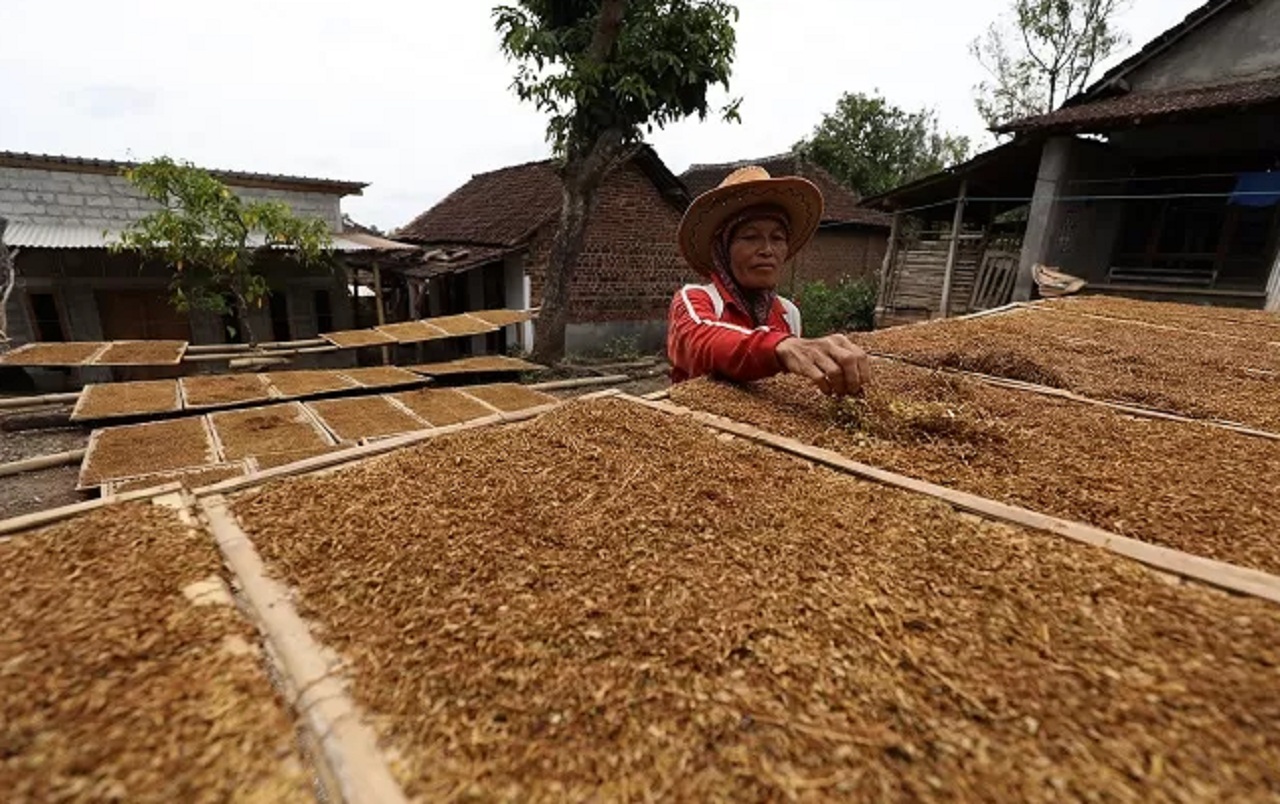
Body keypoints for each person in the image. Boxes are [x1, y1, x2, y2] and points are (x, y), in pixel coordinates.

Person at [667, 166, 872, 396]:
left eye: (777, 238)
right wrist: (782, 347)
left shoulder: (789, 313)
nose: (767, 250)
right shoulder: (695, 299)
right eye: (750, 237)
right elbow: (700, 341)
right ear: (723, 249)